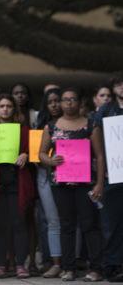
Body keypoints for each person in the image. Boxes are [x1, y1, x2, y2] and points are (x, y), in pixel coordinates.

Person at [39, 87, 105, 282]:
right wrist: (50, 161)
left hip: (86, 184)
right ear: (59, 103)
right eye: (65, 100)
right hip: (61, 185)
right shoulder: (51, 127)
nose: (68, 103)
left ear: (80, 102)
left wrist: (100, 183)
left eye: (73, 99)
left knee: (89, 225)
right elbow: (41, 153)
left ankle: (96, 268)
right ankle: (68, 268)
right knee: (66, 225)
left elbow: (100, 156)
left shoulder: (91, 125)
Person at [0, 94, 35, 279]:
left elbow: (35, 152)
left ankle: (21, 265)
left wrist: (26, 155)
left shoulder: (23, 130)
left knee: (19, 223)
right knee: (0, 226)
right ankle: (1, 266)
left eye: (8, 106)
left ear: (14, 109)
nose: (5, 109)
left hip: (18, 182)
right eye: (2, 106)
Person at [90, 77, 123, 282]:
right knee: (113, 222)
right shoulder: (105, 111)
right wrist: (103, 173)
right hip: (114, 174)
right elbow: (97, 144)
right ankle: (112, 265)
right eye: (120, 84)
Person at [34, 88, 63, 278]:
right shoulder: (43, 126)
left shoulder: (82, 124)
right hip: (46, 176)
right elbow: (39, 156)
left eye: (57, 100)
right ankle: (56, 262)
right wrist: (48, 161)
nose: (54, 105)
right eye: (50, 102)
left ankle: (73, 261)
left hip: (74, 178)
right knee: (53, 221)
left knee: (72, 222)